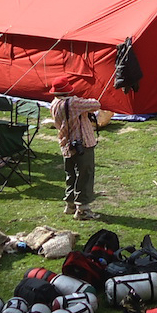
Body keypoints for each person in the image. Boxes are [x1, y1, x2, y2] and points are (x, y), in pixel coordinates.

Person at [49, 74, 101, 221]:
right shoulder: (73, 103)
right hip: (82, 144)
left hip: (66, 144)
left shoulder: (54, 103)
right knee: (85, 175)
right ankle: (83, 209)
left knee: (71, 174)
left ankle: (70, 204)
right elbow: (96, 104)